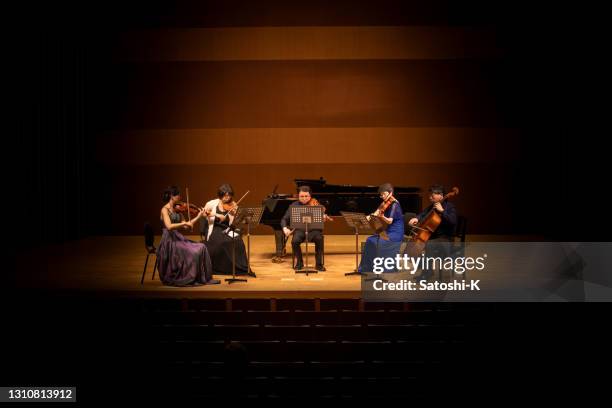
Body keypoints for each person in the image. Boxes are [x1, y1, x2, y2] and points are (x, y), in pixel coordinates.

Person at [157, 186, 219, 286]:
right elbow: (169, 226)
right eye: (178, 195)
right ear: (172, 196)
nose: (180, 197)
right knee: (194, 252)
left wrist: (199, 216)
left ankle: (204, 278)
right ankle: (190, 276)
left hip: (177, 238)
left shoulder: (177, 210)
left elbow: (187, 225)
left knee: (202, 247)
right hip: (169, 241)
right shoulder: (165, 210)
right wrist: (184, 224)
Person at [203, 184, 255, 277]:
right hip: (215, 229)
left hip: (227, 229)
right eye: (225, 195)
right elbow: (204, 214)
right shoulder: (211, 203)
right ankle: (224, 267)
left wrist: (234, 214)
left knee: (238, 240)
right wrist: (217, 216)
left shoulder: (233, 205)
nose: (227, 198)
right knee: (222, 242)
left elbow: (236, 222)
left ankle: (239, 267)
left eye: (229, 195)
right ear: (220, 195)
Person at [408, 184, 457, 281]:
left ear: (441, 195)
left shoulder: (450, 207)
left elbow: (453, 221)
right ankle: (426, 269)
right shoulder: (432, 206)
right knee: (413, 246)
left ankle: (428, 272)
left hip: (446, 238)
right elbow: (422, 214)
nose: (430, 197)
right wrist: (416, 218)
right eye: (429, 195)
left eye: (432, 195)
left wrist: (442, 211)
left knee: (429, 245)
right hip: (434, 236)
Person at [281, 186, 332, 271]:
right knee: (294, 241)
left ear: (310, 196)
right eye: (301, 196)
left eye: (306, 196)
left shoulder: (315, 205)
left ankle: (319, 264)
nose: (304, 198)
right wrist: (285, 228)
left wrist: (323, 217)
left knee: (319, 239)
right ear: (298, 196)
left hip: (314, 230)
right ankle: (299, 263)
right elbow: (284, 219)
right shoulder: (293, 206)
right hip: (300, 230)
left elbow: (321, 218)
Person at [358, 183, 404, 273]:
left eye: (384, 194)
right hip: (389, 231)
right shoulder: (385, 203)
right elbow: (375, 213)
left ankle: (384, 267)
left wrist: (382, 217)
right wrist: (366, 218)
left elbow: (390, 221)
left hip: (396, 233)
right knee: (370, 240)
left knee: (380, 242)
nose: (382, 196)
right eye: (381, 194)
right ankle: (367, 267)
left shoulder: (395, 204)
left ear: (390, 193)